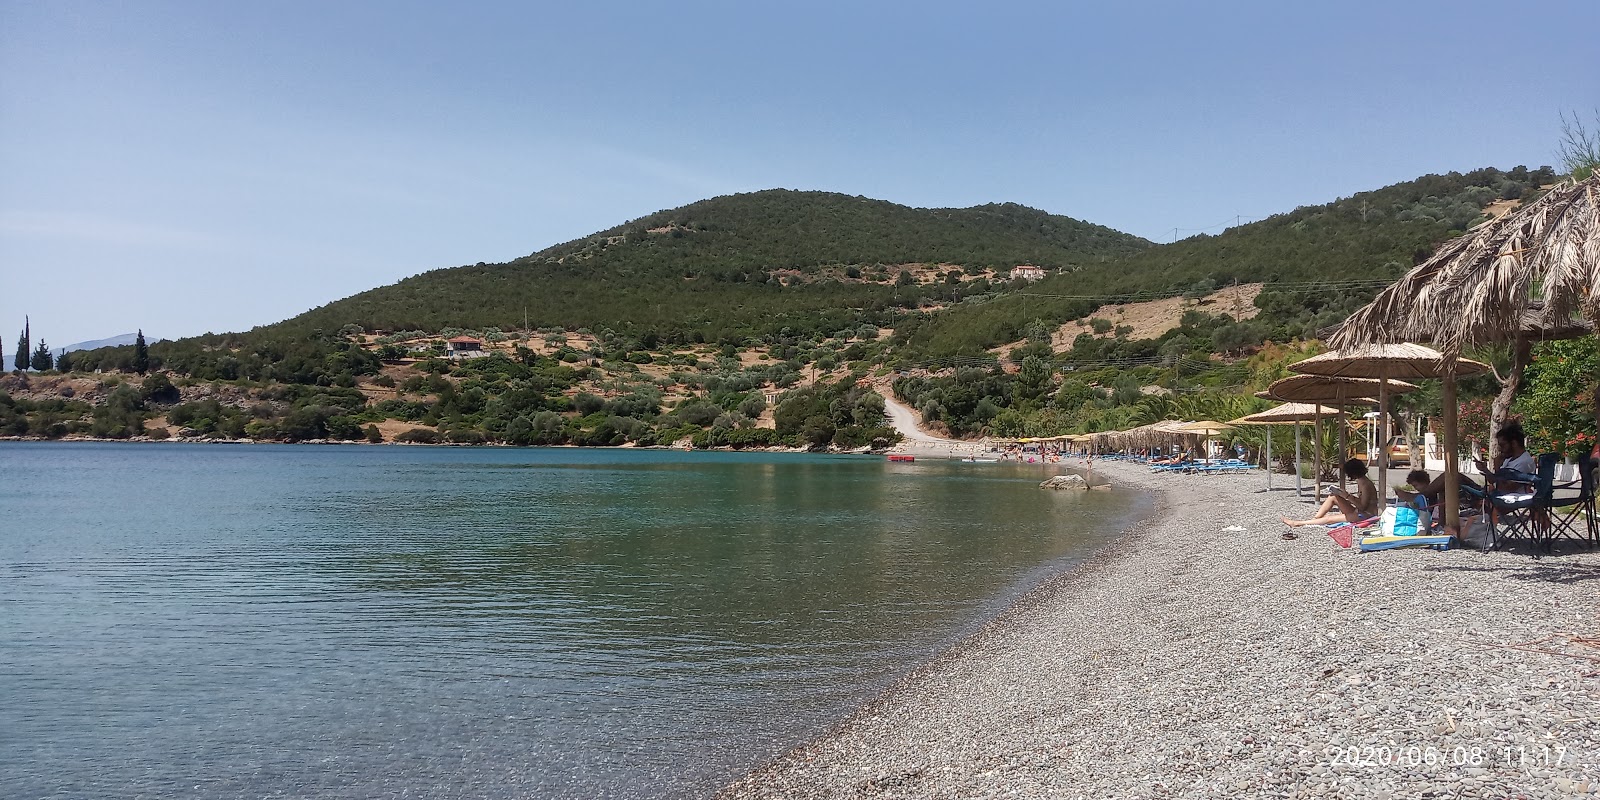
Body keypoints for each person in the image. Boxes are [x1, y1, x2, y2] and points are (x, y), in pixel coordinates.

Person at [1282, 458, 1380, 527]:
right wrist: (1343, 495)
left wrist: (1347, 496)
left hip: (1366, 515)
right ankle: (1315, 519)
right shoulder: (1361, 481)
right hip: (1360, 512)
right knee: (1333, 497)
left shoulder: (1366, 484)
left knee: (1330, 519)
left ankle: (1297, 523)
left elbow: (1363, 506)